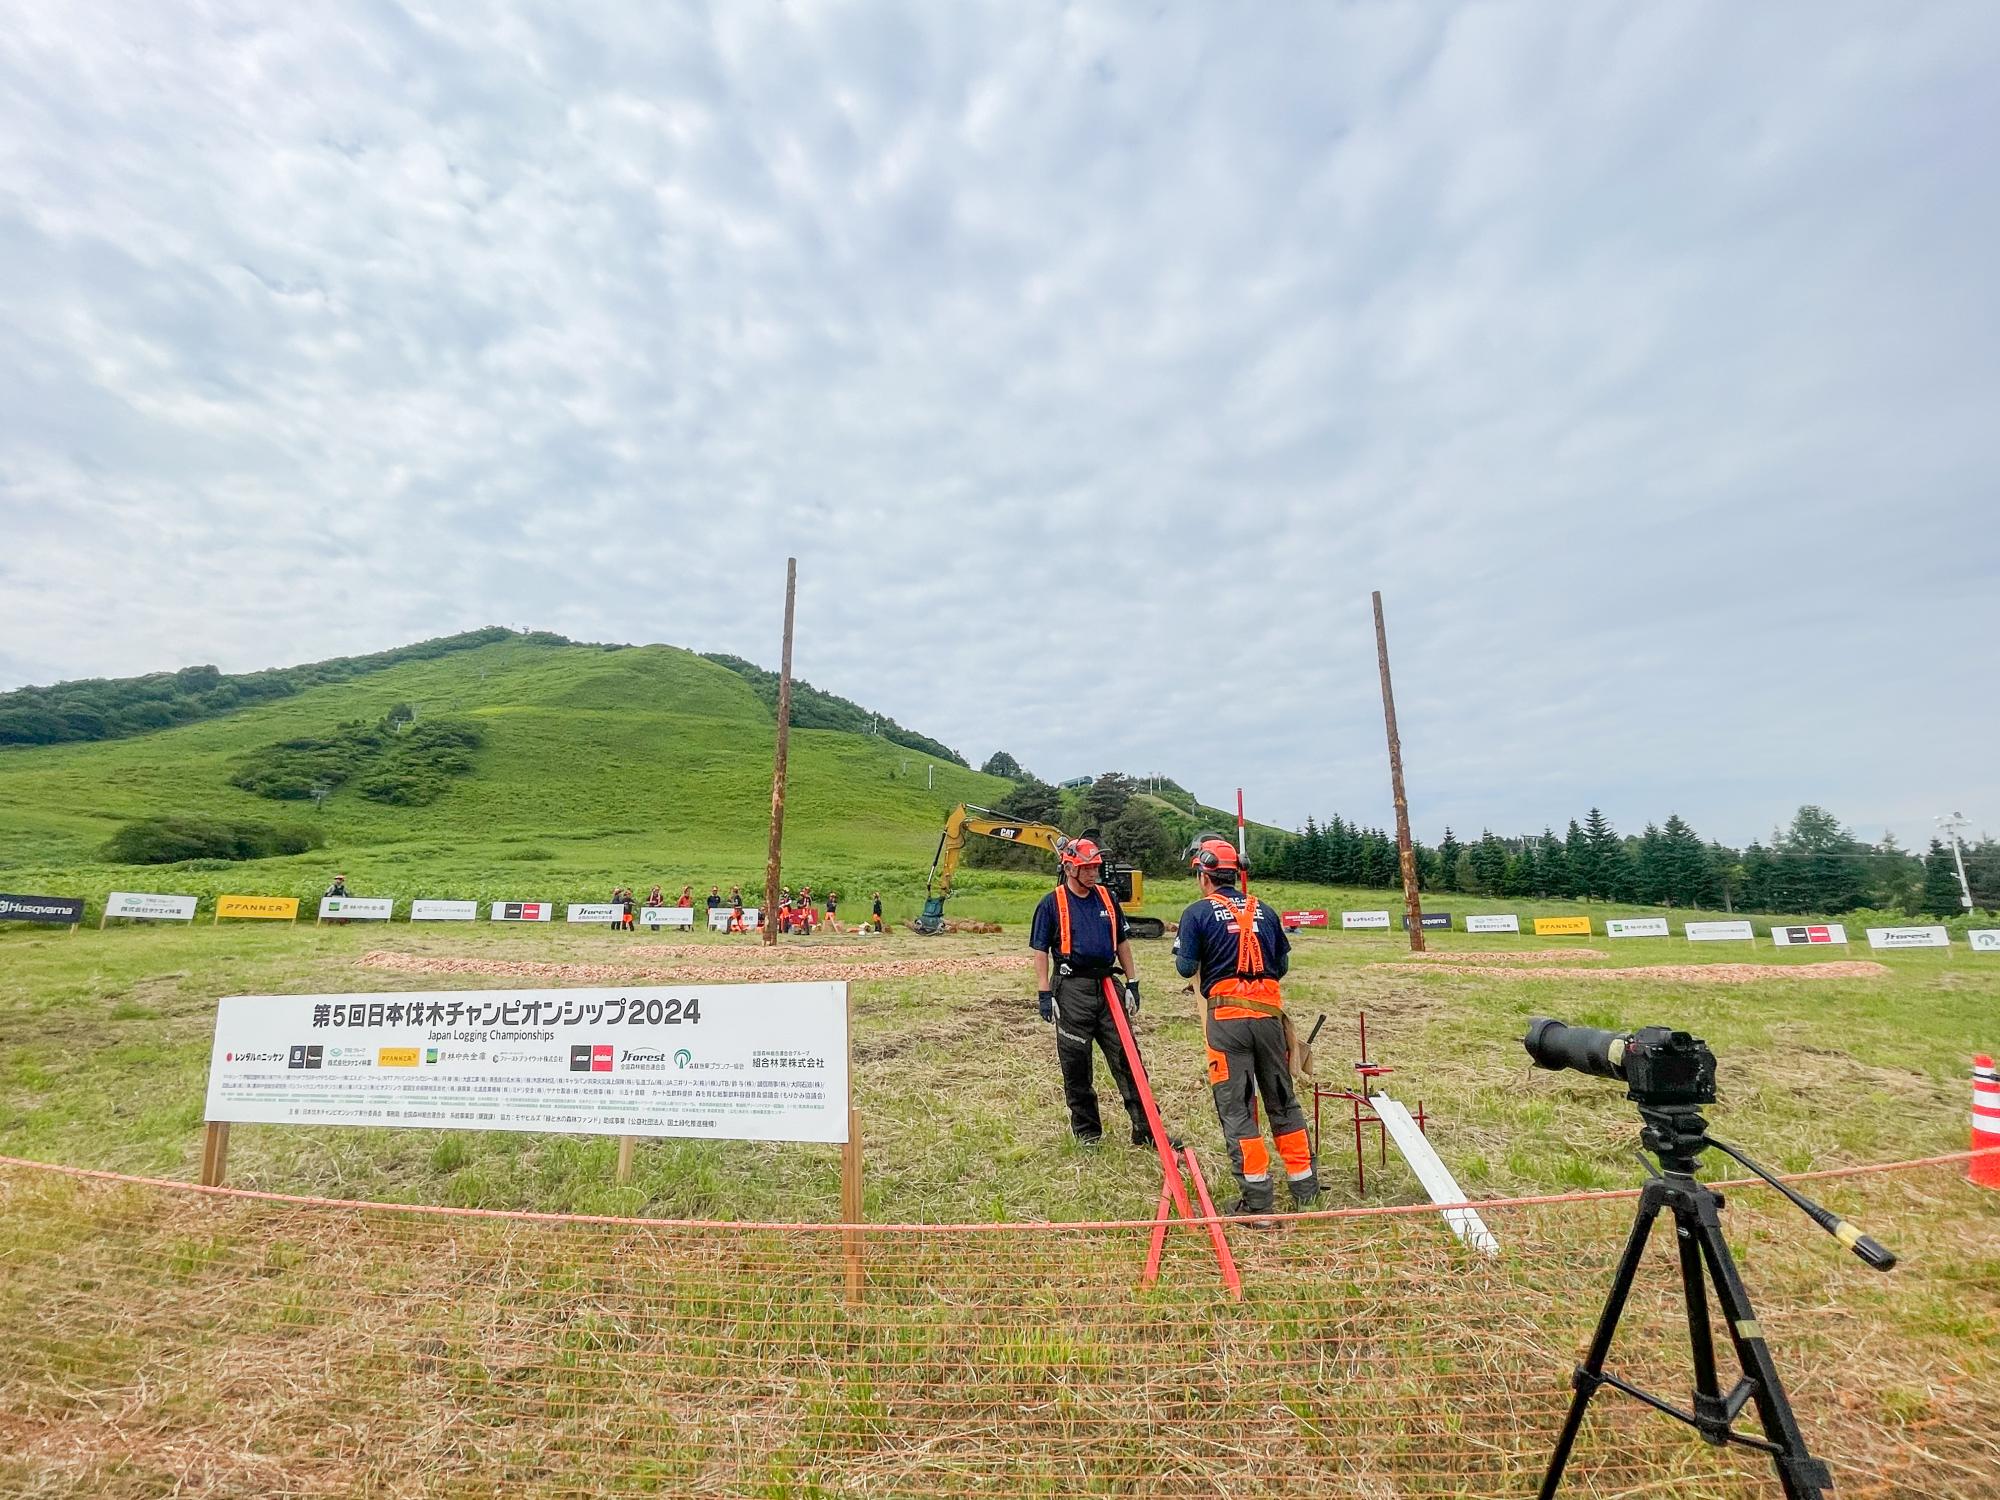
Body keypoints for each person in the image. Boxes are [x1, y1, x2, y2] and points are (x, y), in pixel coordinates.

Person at [1173, 834, 1319, 1216]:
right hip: (1270, 1020)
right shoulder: (1266, 912)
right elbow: (1282, 966)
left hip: (1226, 1021)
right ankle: (1305, 1187)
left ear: (1205, 876)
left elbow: (1185, 967)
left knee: (1237, 1107)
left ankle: (1257, 1200)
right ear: (1234, 874)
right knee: (1283, 1101)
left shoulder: (1196, 913)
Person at [1029, 839, 1150, 1148]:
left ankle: (1145, 1129)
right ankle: (1088, 1134)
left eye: (1096, 866)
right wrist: (1045, 992)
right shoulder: (1051, 903)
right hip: (1072, 991)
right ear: (1069, 868)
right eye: (1088, 868)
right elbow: (1040, 951)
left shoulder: (1108, 899)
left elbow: (1121, 941)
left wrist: (1133, 982)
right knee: (1076, 1064)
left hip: (1109, 987)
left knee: (1128, 1059)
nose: (1094, 872)